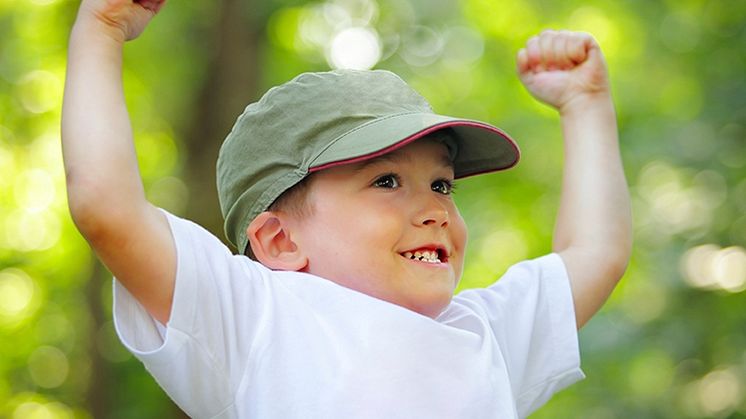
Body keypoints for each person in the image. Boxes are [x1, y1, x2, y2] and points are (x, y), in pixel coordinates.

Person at [61, 0, 631, 417]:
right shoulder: (255, 318)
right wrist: (101, 30)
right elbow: (106, 207)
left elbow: (594, 253)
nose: (434, 209)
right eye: (387, 180)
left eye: (441, 185)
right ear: (280, 242)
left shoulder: (482, 333)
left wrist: (585, 105)